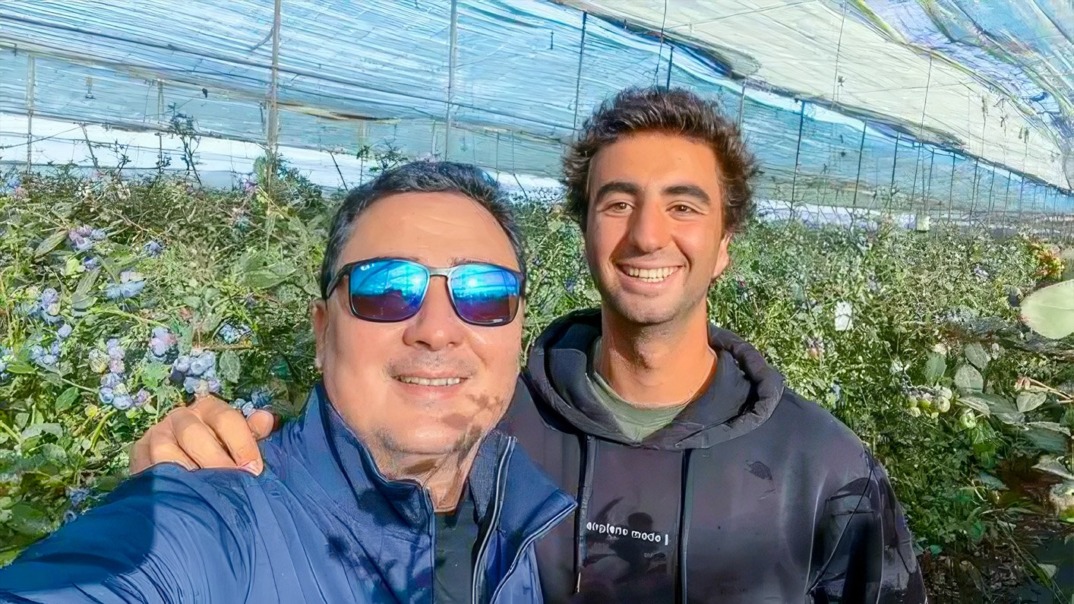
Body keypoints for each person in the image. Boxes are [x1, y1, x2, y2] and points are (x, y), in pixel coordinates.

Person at [126, 87, 928, 603]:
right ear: (582, 234)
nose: (648, 234)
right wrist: (195, 458)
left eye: (684, 206)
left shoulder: (825, 468)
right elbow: (308, 505)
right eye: (618, 204)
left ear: (725, 244)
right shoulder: (475, 419)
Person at [0, 162, 576, 603]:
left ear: (518, 334)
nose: (436, 330)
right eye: (385, 288)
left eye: (483, 293)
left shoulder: (516, 517)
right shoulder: (216, 517)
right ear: (323, 334)